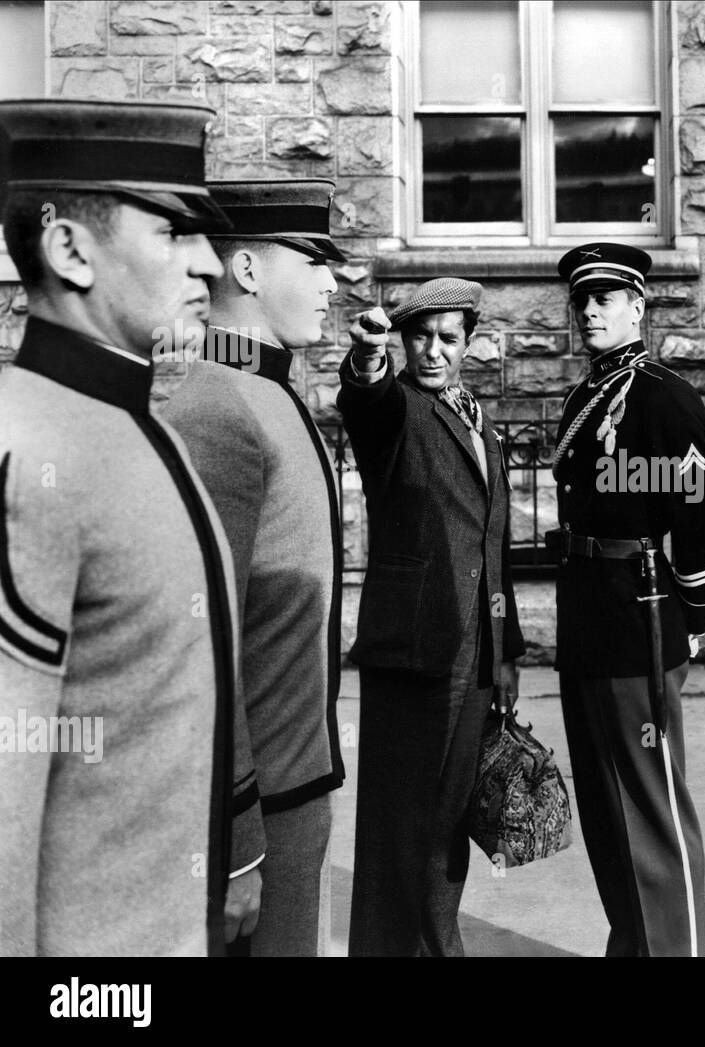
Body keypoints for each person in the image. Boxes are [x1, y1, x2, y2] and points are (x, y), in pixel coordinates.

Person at [0, 98, 237, 956]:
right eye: (172, 232)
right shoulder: (25, 445)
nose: (208, 264)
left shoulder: (148, 425)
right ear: (70, 249)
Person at [161, 179, 347, 957]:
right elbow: (202, 641)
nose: (333, 282)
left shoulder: (266, 389)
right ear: (245, 269)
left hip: (293, 789)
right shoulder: (218, 405)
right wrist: (235, 838)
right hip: (257, 806)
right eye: (312, 260)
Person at [547, 242, 705, 957]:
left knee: (651, 811)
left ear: (638, 305)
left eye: (605, 297)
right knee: (606, 808)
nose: (590, 309)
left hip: (641, 612)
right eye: (581, 299)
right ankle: (634, 944)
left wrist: (688, 621)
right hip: (590, 616)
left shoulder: (661, 395)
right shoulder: (583, 395)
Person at [339, 277, 525, 957]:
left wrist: (505, 654)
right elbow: (368, 402)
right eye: (421, 336)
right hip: (416, 656)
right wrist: (367, 360)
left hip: (475, 656)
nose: (433, 351)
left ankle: (434, 943)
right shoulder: (400, 411)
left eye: (449, 338)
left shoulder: (479, 419)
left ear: (470, 343)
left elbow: (492, 542)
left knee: (448, 826)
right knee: (405, 831)